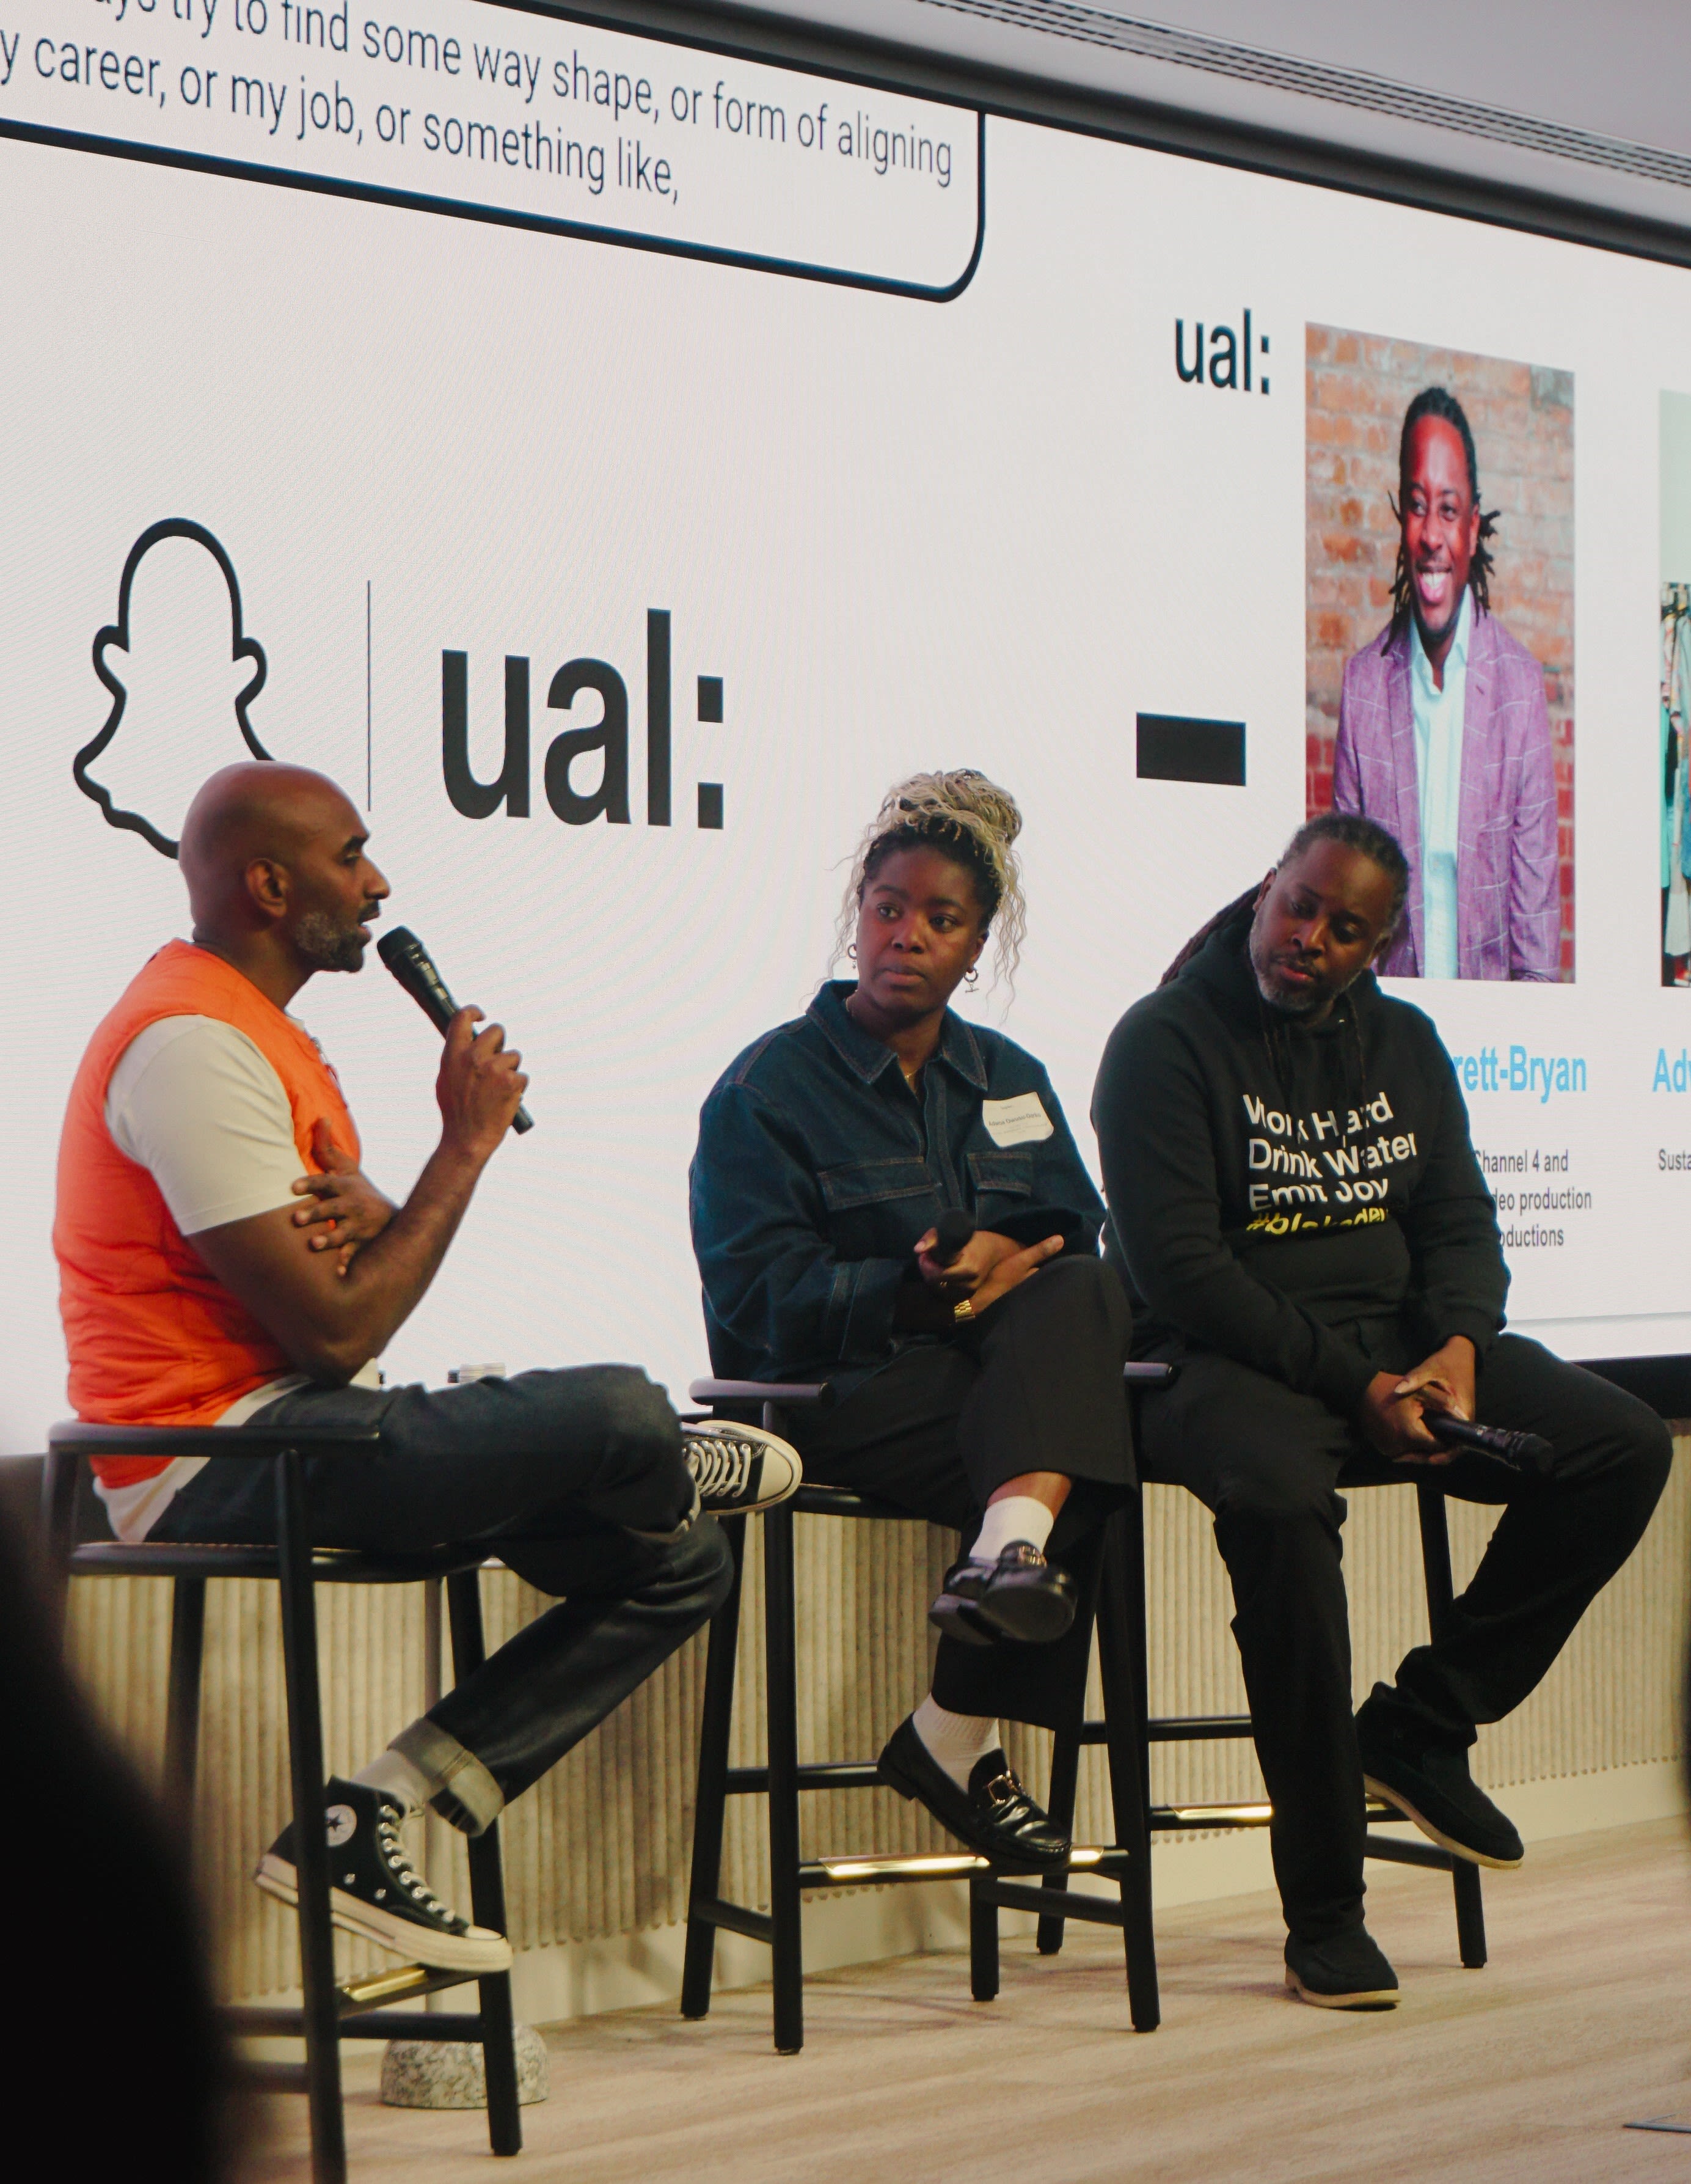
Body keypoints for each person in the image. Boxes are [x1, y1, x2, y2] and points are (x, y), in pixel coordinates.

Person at [54, 761, 799, 1973]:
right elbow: (340, 1333)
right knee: (614, 1403)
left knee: (681, 1561)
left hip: (304, 1420)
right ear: (266, 880)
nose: (376, 882)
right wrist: (464, 1144)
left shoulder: (261, 1034)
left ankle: (381, 1806)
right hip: (208, 1458)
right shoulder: (189, 1044)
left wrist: (401, 1201)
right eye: (351, 855)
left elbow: (350, 1306)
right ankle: (659, 1447)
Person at [1092, 810, 1669, 2009]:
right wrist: (1356, 1385)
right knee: (1281, 1500)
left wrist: (1454, 1350)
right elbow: (1182, 1273)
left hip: (1398, 1347)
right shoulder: (1162, 1041)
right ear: (1265, 889)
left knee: (1616, 1443)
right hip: (1224, 1359)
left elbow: (1460, 1221)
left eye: (1342, 927)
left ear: (1379, 946)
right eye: (1296, 904)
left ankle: (1416, 1723)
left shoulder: (1403, 1040)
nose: (1307, 935)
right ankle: (1324, 1908)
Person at [690, 771, 1134, 1870]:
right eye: (888, 908)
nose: (907, 937)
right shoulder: (764, 1089)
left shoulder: (1008, 1074)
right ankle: (956, 1731)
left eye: (941, 919)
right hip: (834, 1393)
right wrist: (914, 1284)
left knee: (1074, 1329)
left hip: (986, 1381)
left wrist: (1004, 1264)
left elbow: (1077, 1239)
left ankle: (998, 1569)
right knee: (1077, 1443)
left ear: (979, 942)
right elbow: (754, 1302)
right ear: (858, 910)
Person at [1331, 386, 1561, 982]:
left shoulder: (1518, 690)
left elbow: (1534, 936)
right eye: (1415, 505)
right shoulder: (1361, 687)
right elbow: (1341, 923)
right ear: (1401, 521)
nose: (1431, 534)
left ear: (1471, 527)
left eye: (1449, 509)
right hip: (1387, 1045)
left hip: (1491, 1053)